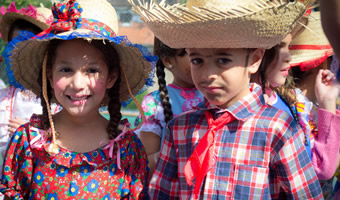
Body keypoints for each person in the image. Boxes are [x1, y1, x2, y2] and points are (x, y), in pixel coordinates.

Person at [130, 0, 323, 199]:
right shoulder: (179, 128)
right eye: (197, 60)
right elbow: (162, 194)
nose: (208, 73)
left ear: (255, 60)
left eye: (223, 60)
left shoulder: (278, 128)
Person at [0, 0, 155, 199]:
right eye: (66, 70)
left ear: (111, 78)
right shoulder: (28, 142)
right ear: (50, 75)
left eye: (92, 70)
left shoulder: (126, 149)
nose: (77, 83)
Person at [134, 37, 204, 179]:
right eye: (192, 55)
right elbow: (146, 164)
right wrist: (179, 152)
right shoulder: (153, 103)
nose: (202, 60)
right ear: (168, 61)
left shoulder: (217, 97)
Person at [0, 2, 57, 176]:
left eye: (26, 48)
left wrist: (34, 132)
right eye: (13, 46)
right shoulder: (5, 97)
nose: (18, 55)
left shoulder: (61, 98)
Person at [289, 11, 340, 199]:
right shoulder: (295, 109)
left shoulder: (309, 105)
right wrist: (328, 105)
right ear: (326, 65)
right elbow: (323, 169)